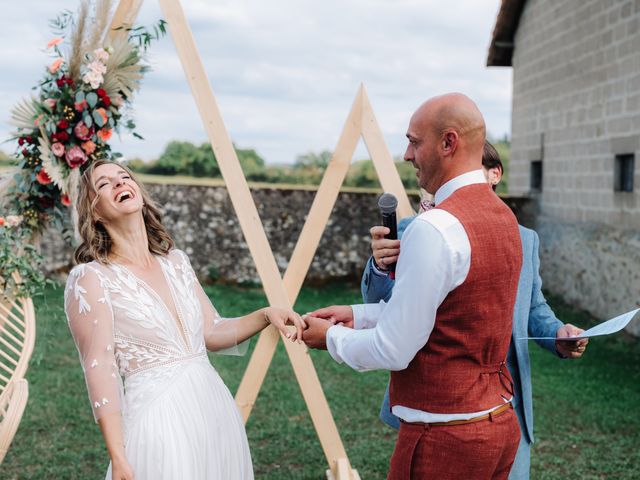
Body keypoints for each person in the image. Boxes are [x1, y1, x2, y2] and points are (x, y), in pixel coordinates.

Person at [303, 93, 525, 478]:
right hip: (498, 426)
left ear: (448, 143)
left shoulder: (435, 227)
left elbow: (393, 349)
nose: (406, 154)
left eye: (414, 141)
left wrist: (330, 339)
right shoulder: (503, 216)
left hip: (445, 436)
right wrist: (359, 314)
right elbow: (450, 310)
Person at [64, 160, 306, 480]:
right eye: (105, 183)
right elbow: (99, 368)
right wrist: (118, 456)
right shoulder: (91, 278)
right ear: (93, 211)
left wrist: (264, 315)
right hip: (158, 422)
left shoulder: (176, 262)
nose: (120, 183)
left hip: (214, 411)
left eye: (124, 177)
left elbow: (211, 331)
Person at [361, 141, 588, 479]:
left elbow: (532, 305)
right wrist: (380, 267)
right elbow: (381, 303)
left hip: (508, 404)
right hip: (439, 407)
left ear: (494, 174)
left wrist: (558, 335)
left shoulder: (526, 238)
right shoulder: (416, 230)